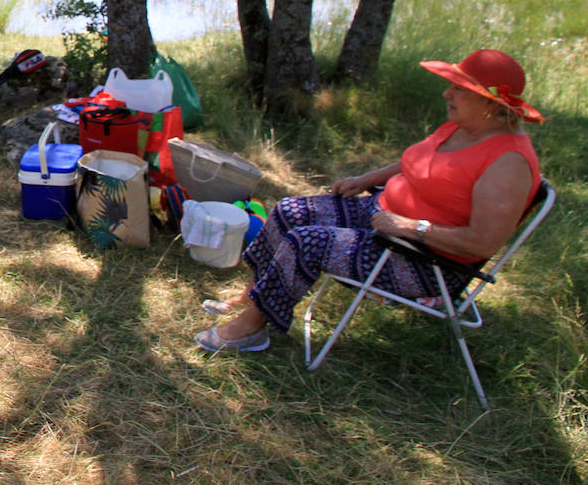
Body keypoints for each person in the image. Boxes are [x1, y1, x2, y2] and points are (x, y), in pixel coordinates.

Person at [195, 49, 543, 353]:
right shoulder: (462, 125)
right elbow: (416, 161)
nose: (446, 92)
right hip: (384, 218)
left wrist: (411, 227)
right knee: (289, 211)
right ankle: (255, 294)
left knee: (307, 243)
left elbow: (482, 241)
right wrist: (367, 180)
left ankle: (252, 328)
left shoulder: (508, 162)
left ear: (491, 104)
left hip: (424, 261)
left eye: (459, 88)